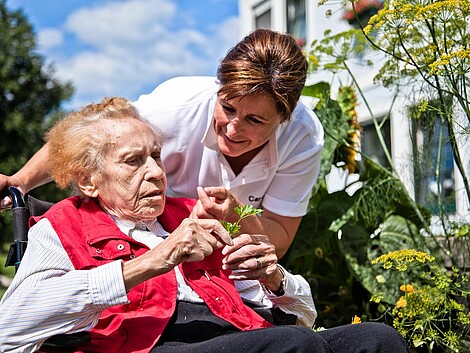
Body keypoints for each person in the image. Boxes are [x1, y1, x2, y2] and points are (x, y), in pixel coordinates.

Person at [0, 97, 408, 353]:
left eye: (156, 156)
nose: (156, 172)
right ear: (89, 179)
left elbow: (301, 315)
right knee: (291, 346)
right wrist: (153, 261)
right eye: (132, 161)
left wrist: (274, 278)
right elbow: (9, 329)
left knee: (376, 340)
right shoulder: (62, 224)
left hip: (239, 334)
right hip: (149, 344)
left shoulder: (190, 216)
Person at [0, 29, 323, 260]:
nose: (233, 128)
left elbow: (278, 239)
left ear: (284, 118)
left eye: (255, 121)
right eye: (227, 108)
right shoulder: (173, 108)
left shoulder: (302, 138)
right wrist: (21, 181)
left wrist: (236, 215)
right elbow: (86, 134)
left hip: (219, 259)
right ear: (218, 88)